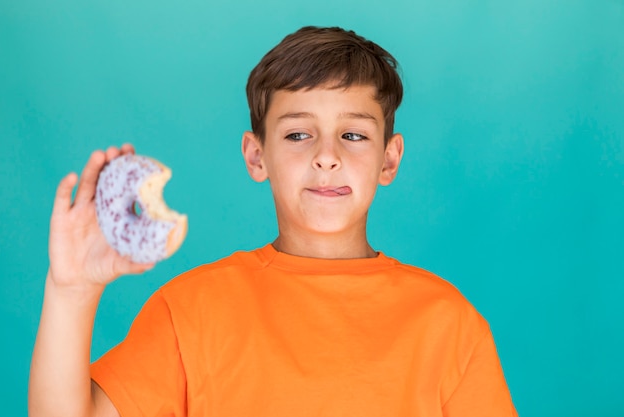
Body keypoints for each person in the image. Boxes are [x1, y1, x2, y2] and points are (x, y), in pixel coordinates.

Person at [29, 26, 518, 416]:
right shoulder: (191, 311)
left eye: (353, 135)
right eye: (299, 134)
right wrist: (71, 290)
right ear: (255, 155)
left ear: (389, 160)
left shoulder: (449, 323)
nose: (327, 157)